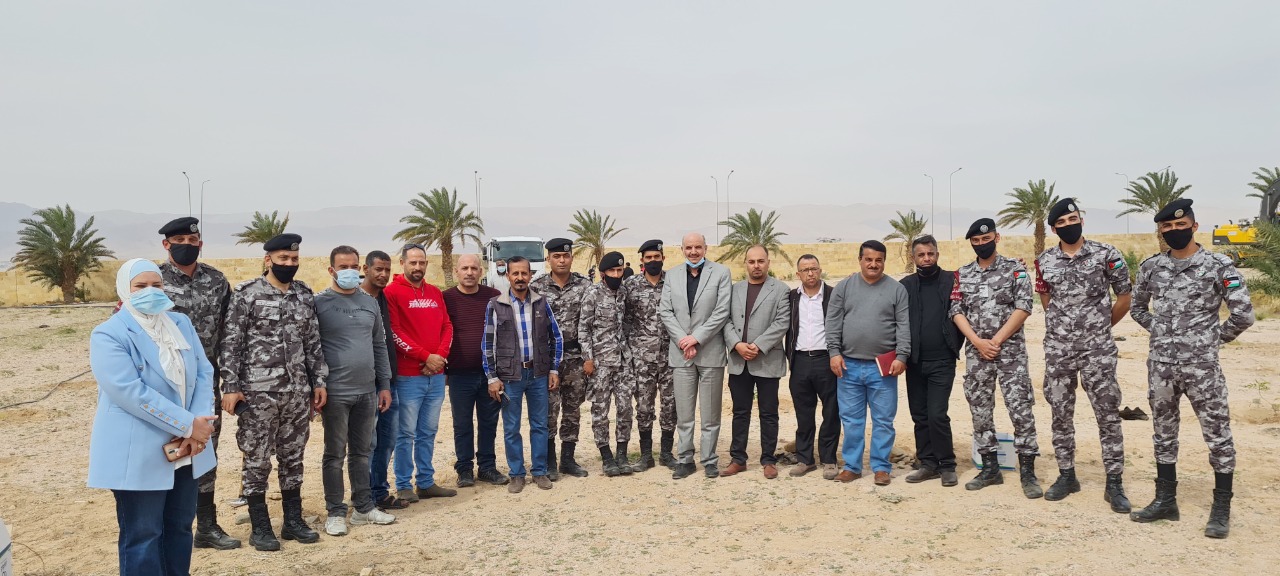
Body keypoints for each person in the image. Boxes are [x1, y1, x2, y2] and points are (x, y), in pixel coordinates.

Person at [1129, 198, 1254, 538]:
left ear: (1194, 227)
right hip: (1162, 367)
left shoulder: (1218, 265)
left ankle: (1221, 507)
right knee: (1163, 432)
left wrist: (1211, 340)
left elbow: (1243, 314)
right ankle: (1165, 500)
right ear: (1161, 231)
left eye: (1180, 225)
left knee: (1217, 434)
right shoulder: (1152, 267)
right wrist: (1159, 330)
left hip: (1202, 368)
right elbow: (1137, 308)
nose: (1174, 231)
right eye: (1167, 227)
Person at [89, 258, 218, 576]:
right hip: (141, 451)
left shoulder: (180, 324)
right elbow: (129, 391)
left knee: (180, 527)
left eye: (157, 285)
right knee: (143, 535)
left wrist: (199, 422)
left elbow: (204, 372)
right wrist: (187, 425)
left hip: (186, 449)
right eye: (140, 286)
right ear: (124, 289)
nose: (151, 291)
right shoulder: (109, 334)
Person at [220, 233, 327, 551]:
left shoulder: (304, 294)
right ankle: (260, 527)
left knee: (294, 457)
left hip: (297, 392)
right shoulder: (247, 294)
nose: (289, 264)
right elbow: (231, 342)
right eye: (283, 258)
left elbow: (313, 342)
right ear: (268, 260)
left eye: (294, 259)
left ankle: (293, 521)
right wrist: (230, 386)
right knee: (257, 459)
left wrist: (319, 381)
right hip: (258, 394)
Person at [1034, 199, 1133, 510]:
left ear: (1081, 221)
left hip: (1097, 350)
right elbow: (1046, 299)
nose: (1068, 225)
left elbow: (1124, 298)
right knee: (1060, 413)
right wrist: (1065, 326)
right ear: (1054, 229)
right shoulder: (1045, 260)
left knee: (1107, 414)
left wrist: (1099, 327)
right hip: (1059, 349)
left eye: (1073, 219)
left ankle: (1114, 482)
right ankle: (1067, 475)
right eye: (1061, 222)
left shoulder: (1107, 254)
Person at [155, 217, 238, 549]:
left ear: (200, 244)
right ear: (166, 244)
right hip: (165, 385)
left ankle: (206, 525)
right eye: (179, 240)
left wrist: (231, 381)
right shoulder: (152, 281)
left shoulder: (216, 280)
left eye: (192, 240)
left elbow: (230, 334)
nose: (186, 245)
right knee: (165, 450)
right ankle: (164, 524)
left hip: (206, 384)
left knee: (205, 449)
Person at [949, 218, 1042, 498]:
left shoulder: (1016, 270)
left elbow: (1024, 307)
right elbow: (956, 310)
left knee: (1020, 408)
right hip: (977, 354)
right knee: (980, 409)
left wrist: (996, 341)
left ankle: (1028, 471)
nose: (981, 244)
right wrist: (978, 342)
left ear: (996, 238)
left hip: (1010, 353)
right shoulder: (963, 274)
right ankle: (990, 468)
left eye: (986, 239)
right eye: (976, 241)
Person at [315, 246, 397, 536]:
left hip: (367, 391)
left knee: (362, 452)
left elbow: (379, 346)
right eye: (343, 267)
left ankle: (363, 508)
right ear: (332, 270)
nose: (349, 271)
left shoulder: (369, 303)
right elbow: (311, 348)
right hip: (335, 392)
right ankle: (336, 512)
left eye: (353, 266)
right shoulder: (319, 303)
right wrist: (317, 385)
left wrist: (384, 384)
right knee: (334, 454)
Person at [825, 240, 909, 486]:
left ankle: (881, 467)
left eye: (878, 260)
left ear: (884, 261)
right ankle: (852, 466)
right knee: (852, 421)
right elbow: (833, 322)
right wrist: (834, 353)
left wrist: (902, 356)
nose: (873, 264)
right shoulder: (844, 287)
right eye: (868, 259)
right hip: (848, 366)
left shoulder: (896, 290)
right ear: (860, 260)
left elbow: (903, 325)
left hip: (883, 367)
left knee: (883, 420)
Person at [483, 256, 564, 493]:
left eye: (524, 273)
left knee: (540, 425)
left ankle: (539, 471)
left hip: (538, 375)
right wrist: (492, 377)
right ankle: (517, 474)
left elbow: (556, 337)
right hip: (510, 377)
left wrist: (553, 369)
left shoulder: (541, 302)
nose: (520, 278)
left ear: (531, 275)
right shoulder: (495, 304)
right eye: (515, 273)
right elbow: (487, 344)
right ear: (508, 275)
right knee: (511, 428)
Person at [383, 243, 457, 502]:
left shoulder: (435, 292)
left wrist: (440, 357)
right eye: (413, 262)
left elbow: (447, 326)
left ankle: (425, 482)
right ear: (402, 263)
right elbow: (394, 332)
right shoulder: (391, 292)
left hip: (435, 377)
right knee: (405, 433)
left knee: (428, 431)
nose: (417, 267)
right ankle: (403, 484)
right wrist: (426, 357)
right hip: (408, 377)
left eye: (422, 262)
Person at [659, 232, 732, 480]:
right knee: (684, 413)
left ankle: (709, 459)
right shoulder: (672, 276)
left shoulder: (720, 273)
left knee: (710, 413)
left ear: (705, 248)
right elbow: (666, 311)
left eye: (698, 247)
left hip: (709, 351)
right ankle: (685, 459)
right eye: (688, 247)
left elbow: (721, 311)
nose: (693, 251)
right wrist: (683, 339)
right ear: (682, 249)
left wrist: (696, 338)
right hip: (681, 353)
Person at [720, 245, 791, 479]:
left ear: (768, 262)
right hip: (739, 360)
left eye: (761, 261)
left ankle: (768, 459)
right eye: (752, 261)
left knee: (769, 413)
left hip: (767, 360)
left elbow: (782, 322)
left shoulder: (781, 290)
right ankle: (738, 459)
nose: (756, 266)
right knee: (740, 412)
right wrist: (737, 344)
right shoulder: (734, 290)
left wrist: (758, 345)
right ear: (745, 263)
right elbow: (725, 320)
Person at [900, 236, 963, 487]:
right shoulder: (905, 285)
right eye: (921, 255)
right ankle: (927, 463)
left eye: (930, 254)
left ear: (937, 254)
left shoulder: (952, 280)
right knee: (920, 415)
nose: (926, 259)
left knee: (937, 414)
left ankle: (947, 465)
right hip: (914, 362)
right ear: (913, 257)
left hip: (942, 361)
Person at [443, 254, 507, 487]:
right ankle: (465, 469)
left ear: (481, 271)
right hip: (459, 374)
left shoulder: (494, 297)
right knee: (462, 424)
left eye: (473, 268)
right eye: (464, 268)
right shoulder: (446, 298)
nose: (469, 272)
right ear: (456, 271)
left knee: (488, 423)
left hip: (489, 375)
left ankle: (487, 467)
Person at [530, 238, 592, 479]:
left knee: (572, 409)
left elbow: (591, 322)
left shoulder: (585, 285)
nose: (562, 260)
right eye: (556, 256)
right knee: (549, 410)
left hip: (576, 357)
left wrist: (589, 357)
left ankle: (568, 459)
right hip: (549, 360)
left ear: (572, 258)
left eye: (566, 256)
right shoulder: (537, 288)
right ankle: (549, 461)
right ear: (548, 259)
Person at [361, 250, 410, 511]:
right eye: (378, 269)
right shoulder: (356, 298)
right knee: (367, 443)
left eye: (387, 270)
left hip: (388, 381)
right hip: (364, 383)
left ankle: (379, 492)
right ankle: (364, 496)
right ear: (366, 269)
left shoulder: (384, 298)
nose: (383, 274)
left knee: (387, 439)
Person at [784, 254, 839, 480]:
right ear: (798, 274)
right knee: (803, 413)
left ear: (820, 270)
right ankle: (805, 459)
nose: (810, 273)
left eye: (814, 268)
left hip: (826, 360)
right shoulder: (791, 297)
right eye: (805, 270)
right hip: (799, 361)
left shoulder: (833, 295)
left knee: (831, 412)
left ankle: (829, 459)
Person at [623, 239, 676, 469]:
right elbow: (624, 319)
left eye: (657, 257)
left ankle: (666, 453)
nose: (653, 261)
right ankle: (646, 455)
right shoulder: (631, 285)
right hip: (642, 358)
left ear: (663, 258)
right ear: (642, 260)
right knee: (644, 407)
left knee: (670, 406)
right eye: (648, 258)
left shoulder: (674, 282)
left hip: (670, 356)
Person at [581, 251, 635, 476]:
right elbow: (584, 328)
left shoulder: (623, 292)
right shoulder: (592, 293)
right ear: (603, 273)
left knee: (625, 408)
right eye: (612, 271)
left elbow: (627, 322)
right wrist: (588, 358)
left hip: (622, 361)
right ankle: (606, 457)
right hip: (600, 363)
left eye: (619, 270)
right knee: (600, 411)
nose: (616, 274)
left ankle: (622, 455)